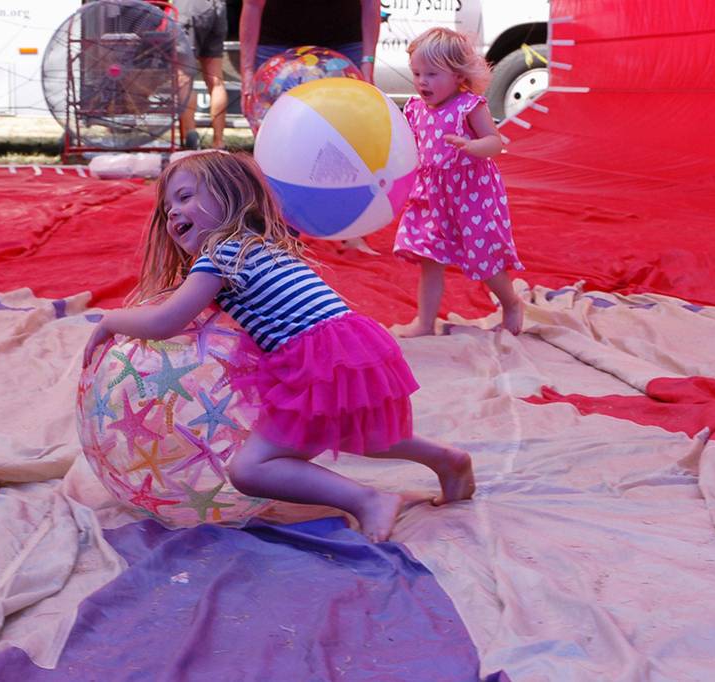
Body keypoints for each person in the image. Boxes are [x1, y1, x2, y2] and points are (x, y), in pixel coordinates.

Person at [82, 151, 475, 542]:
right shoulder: (260, 246)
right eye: (167, 207)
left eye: (185, 197)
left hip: (313, 356)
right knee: (357, 434)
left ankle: (366, 499)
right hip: (349, 343)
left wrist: (111, 322)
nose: (172, 213)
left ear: (230, 196)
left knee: (251, 469)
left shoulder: (219, 257)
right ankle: (448, 460)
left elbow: (164, 322)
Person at [390, 27, 525, 337]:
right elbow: (410, 145)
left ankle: (511, 302)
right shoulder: (415, 108)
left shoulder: (468, 106)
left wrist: (472, 147)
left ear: (458, 75)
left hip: (471, 195)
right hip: (432, 195)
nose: (423, 81)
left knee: (484, 258)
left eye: (433, 74)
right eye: (417, 73)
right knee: (429, 258)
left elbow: (495, 142)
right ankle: (425, 322)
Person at [238, 0, 382, 256]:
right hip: (276, 44)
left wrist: (368, 61)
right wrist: (248, 72)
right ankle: (280, 232)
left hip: (344, 41)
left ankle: (353, 231)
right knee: (277, 139)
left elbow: (370, 4)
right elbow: (252, 6)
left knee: (351, 133)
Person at [172, 0, 229, 149]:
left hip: (189, 8)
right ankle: (219, 141)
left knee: (184, 76)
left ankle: (190, 136)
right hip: (218, 8)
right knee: (216, 80)